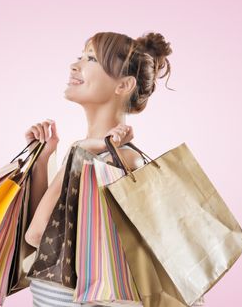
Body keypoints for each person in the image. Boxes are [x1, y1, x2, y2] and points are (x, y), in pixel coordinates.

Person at [23, 31, 205, 307]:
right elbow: (44, 241)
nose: (75, 65)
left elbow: (37, 235)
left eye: (91, 59)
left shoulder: (119, 163)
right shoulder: (87, 155)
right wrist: (43, 160)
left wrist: (77, 151)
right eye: (80, 56)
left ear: (123, 85)